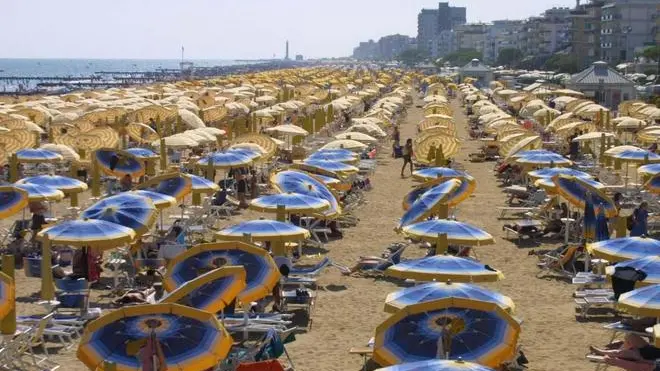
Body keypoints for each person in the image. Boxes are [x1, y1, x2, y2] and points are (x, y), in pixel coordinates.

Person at [589, 334, 660, 370]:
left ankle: (601, 351)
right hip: (649, 350)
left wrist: (642, 360)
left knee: (619, 353)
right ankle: (603, 351)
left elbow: (655, 363)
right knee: (630, 336)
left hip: (645, 358)